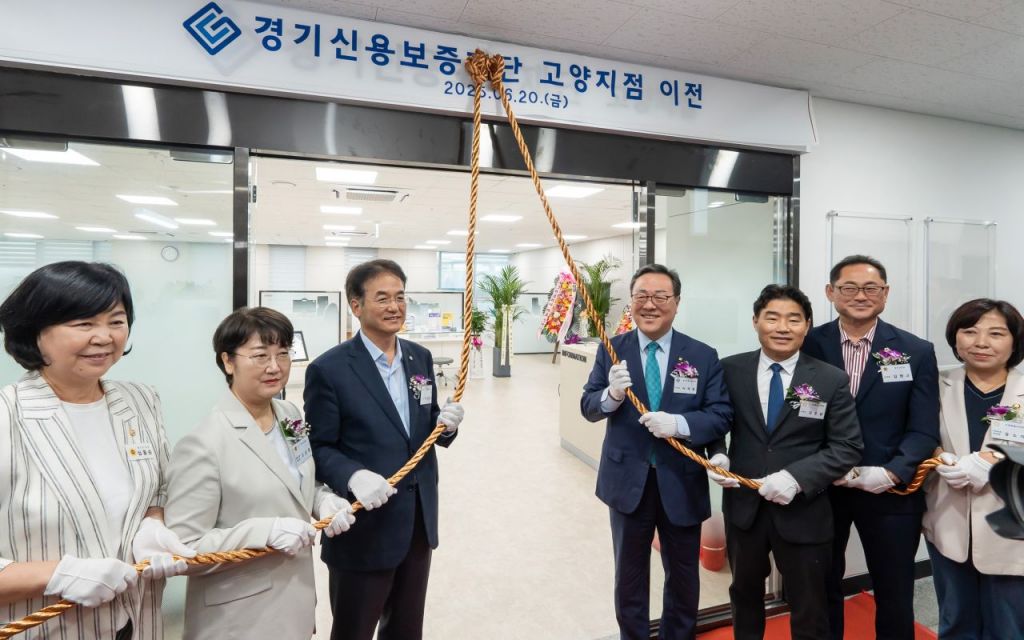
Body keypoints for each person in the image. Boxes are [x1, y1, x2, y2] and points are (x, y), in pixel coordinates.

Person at [0, 261, 193, 639]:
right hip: (44, 627)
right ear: (35, 331)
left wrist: (153, 524)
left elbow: (156, 489)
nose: (104, 337)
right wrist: (57, 575)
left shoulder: (140, 401)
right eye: (83, 323)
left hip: (138, 622)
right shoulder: (7, 417)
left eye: (116, 321)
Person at [164, 307, 355, 640]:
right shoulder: (204, 443)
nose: (274, 367)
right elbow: (183, 549)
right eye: (260, 355)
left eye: (283, 353)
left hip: (293, 602)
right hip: (239, 620)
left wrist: (324, 500)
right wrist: (263, 531)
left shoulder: (289, 414)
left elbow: (297, 482)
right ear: (228, 361)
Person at [305, 259, 466, 640]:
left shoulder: (418, 357)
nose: (395, 307)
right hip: (364, 527)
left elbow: (422, 426)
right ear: (356, 305)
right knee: (354, 630)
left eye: (400, 297)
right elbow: (318, 447)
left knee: (406, 629)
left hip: (417, 523)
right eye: (382, 298)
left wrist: (445, 426)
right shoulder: (329, 369)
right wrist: (353, 475)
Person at [580, 263, 733, 640]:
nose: (650, 305)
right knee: (629, 576)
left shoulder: (701, 355)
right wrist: (612, 395)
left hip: (681, 481)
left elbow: (720, 414)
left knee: (683, 576)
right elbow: (589, 406)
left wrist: (679, 425)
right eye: (641, 296)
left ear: (677, 302)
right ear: (631, 302)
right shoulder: (612, 349)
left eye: (661, 296)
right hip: (626, 482)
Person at [707, 284, 862, 639]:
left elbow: (847, 446)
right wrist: (718, 454)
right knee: (744, 594)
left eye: (793, 319)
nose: (782, 327)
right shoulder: (730, 369)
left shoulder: (830, 379)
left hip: (804, 510)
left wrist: (795, 478)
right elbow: (716, 422)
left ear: (807, 325)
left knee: (810, 603)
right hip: (744, 507)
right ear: (755, 322)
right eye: (772, 317)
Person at [801, 254, 939, 640]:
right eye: (849, 287)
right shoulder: (808, 345)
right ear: (830, 292)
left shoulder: (915, 350)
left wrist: (893, 472)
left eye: (871, 288)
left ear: (885, 293)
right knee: (821, 584)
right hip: (823, 488)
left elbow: (923, 429)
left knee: (895, 589)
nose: (860, 295)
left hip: (889, 491)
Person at [923, 298, 1024, 637]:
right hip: (948, 520)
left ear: (1014, 342)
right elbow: (916, 433)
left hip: (1012, 526)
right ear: (955, 338)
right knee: (956, 621)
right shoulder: (935, 384)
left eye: (996, 333)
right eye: (970, 331)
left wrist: (993, 461)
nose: (981, 342)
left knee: (1009, 626)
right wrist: (941, 457)